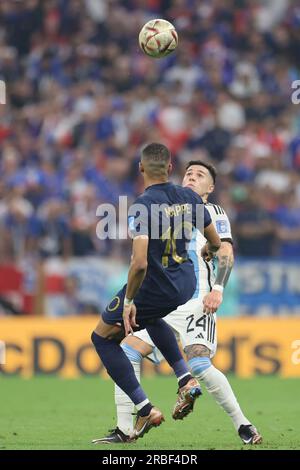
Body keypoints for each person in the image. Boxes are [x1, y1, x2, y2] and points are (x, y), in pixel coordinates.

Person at [95, 160, 262, 446]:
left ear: (210, 187)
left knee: (199, 363)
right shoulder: (167, 209)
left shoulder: (213, 211)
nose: (192, 177)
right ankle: (125, 430)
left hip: (199, 300)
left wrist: (218, 289)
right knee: (128, 349)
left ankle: (243, 424)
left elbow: (225, 251)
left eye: (200, 175)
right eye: (188, 173)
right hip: (165, 300)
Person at [91, 143, 221, 440]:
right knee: (150, 318)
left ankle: (145, 408)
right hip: (185, 284)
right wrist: (209, 250)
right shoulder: (188, 196)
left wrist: (129, 301)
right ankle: (185, 378)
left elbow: (138, 263)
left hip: (155, 285)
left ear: (140, 168)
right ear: (171, 168)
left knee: (101, 338)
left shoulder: (143, 205)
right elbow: (213, 241)